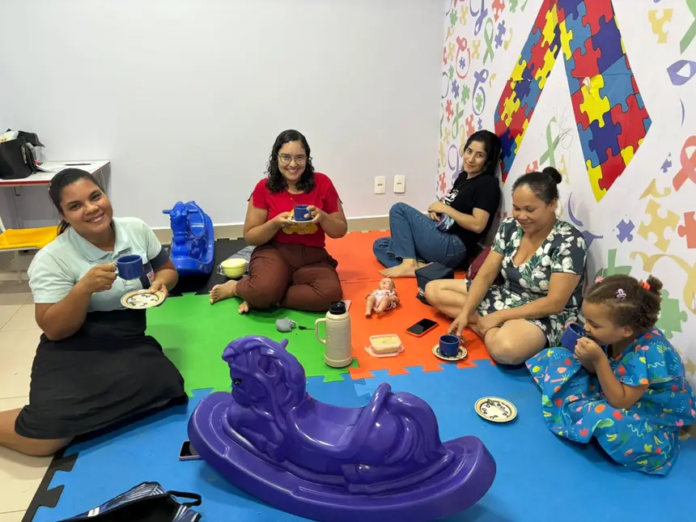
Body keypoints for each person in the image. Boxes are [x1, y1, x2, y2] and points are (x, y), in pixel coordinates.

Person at [0, 169, 186, 457]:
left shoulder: (135, 229)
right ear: (63, 214)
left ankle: (84, 416)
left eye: (95, 196)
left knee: (168, 388)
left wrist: (162, 284)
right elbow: (54, 330)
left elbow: (167, 270)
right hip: (73, 344)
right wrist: (83, 290)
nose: (91, 208)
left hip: (126, 336)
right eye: (75, 206)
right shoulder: (51, 258)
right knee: (46, 439)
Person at [527, 275, 696, 475]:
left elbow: (620, 402)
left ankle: (580, 411)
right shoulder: (615, 334)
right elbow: (597, 371)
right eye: (586, 320)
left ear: (626, 330)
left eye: (595, 325)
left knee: (606, 418)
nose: (587, 327)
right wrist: (586, 356)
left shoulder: (650, 351)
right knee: (555, 356)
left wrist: (599, 359)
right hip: (611, 386)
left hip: (647, 412)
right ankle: (582, 412)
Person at [425, 167, 587, 365]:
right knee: (433, 290)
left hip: (545, 313)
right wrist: (466, 313)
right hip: (507, 296)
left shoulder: (569, 241)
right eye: (516, 208)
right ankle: (486, 326)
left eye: (530, 210)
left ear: (552, 204)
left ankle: (485, 327)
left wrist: (499, 316)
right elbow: (485, 275)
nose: (521, 216)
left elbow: (555, 303)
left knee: (506, 349)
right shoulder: (510, 226)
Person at [210, 129, 347, 313]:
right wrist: (275, 223)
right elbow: (250, 236)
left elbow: (340, 230)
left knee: (331, 296)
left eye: (300, 157)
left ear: (307, 159)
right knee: (264, 288)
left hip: (313, 258)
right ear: (276, 158)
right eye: (286, 157)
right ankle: (237, 288)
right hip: (274, 253)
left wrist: (322, 216)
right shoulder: (264, 187)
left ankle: (263, 294)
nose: (293, 164)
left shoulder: (323, 183)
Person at [374, 130, 502, 278]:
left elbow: (478, 225)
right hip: (441, 235)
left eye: (479, 155)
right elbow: (453, 208)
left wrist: (446, 209)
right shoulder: (463, 177)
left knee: (399, 209)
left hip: (453, 246)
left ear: (488, 160)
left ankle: (409, 264)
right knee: (380, 245)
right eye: (469, 151)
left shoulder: (487, 184)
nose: (471, 159)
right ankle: (423, 267)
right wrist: (439, 211)